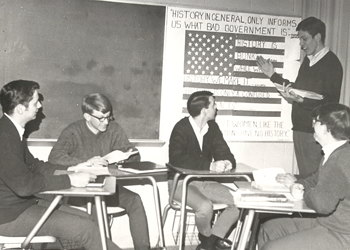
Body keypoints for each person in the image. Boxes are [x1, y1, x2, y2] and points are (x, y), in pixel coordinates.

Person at [0, 80, 123, 250]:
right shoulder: (5, 137)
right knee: (85, 229)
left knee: (86, 218)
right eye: (36, 102)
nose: (40, 105)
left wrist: (73, 168)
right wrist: (69, 180)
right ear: (21, 109)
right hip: (9, 217)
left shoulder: (12, 131)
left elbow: (35, 166)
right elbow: (24, 185)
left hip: (20, 207)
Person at [48, 93, 150, 250]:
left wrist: (121, 158)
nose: (106, 122)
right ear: (87, 117)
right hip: (78, 190)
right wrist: (84, 163)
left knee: (134, 200)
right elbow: (54, 157)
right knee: (97, 205)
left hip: (105, 186)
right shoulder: (73, 131)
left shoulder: (113, 128)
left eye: (108, 117)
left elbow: (133, 155)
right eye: (101, 118)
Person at [256, 16, 343, 178]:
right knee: (307, 178)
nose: (301, 44)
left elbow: (330, 102)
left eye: (304, 39)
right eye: (299, 39)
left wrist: (301, 100)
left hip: (314, 132)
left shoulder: (332, 63)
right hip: (301, 129)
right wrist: (272, 75)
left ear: (317, 37)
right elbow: (298, 90)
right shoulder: (308, 62)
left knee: (312, 181)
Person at [258, 103, 350, 250]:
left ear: (327, 129)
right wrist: (298, 184)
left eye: (316, 121)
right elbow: (315, 179)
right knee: (269, 229)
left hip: (342, 234)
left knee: (271, 248)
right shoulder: (335, 151)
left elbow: (321, 205)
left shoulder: (340, 159)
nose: (312, 125)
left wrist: (302, 193)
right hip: (327, 223)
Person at [168, 90, 239, 250]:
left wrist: (227, 162)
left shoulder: (212, 127)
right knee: (205, 207)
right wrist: (210, 165)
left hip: (205, 182)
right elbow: (176, 159)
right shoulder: (181, 128)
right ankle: (209, 241)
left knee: (239, 202)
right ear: (204, 110)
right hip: (180, 184)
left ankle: (209, 243)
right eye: (214, 104)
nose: (216, 108)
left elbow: (225, 152)